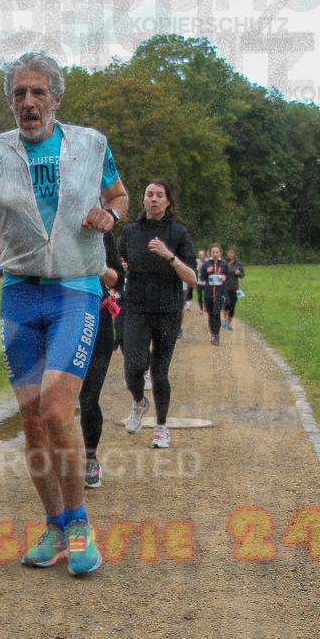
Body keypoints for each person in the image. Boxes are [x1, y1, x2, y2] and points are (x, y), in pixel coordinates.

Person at [0, 52, 128, 575]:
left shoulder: (91, 144)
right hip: (19, 292)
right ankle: (54, 526)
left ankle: (81, 523)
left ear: (56, 99)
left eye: (38, 93)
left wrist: (110, 214)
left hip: (75, 290)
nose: (28, 102)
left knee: (59, 410)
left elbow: (120, 194)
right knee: (34, 422)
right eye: (19, 94)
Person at [118, 179, 197, 449]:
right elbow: (117, 268)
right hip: (136, 307)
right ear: (143, 200)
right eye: (149, 194)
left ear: (167, 202)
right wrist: (122, 269)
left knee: (160, 372)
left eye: (159, 195)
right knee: (133, 367)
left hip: (168, 310)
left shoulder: (178, 233)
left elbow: (193, 279)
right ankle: (140, 402)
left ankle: (161, 427)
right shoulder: (130, 232)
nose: (153, 199)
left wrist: (169, 256)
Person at [79, 231, 125, 488]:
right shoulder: (46, 219)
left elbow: (117, 278)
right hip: (56, 319)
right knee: (53, 396)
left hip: (96, 320)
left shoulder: (100, 228)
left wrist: (92, 264)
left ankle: (90, 457)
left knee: (89, 397)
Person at [200, 243, 228, 345]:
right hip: (209, 293)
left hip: (220, 293)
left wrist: (225, 278)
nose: (215, 254)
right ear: (210, 253)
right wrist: (206, 272)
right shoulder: (206, 264)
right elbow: (202, 278)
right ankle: (213, 334)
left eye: (217, 252)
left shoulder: (224, 264)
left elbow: (227, 276)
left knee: (216, 313)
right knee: (211, 315)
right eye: (213, 252)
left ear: (220, 253)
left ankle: (216, 335)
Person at [222, 246, 244, 329]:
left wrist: (239, 273)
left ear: (235, 254)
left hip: (234, 288)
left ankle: (229, 322)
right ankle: (224, 318)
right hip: (225, 287)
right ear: (227, 253)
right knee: (226, 304)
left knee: (232, 306)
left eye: (232, 253)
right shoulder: (224, 262)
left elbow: (242, 275)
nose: (231, 254)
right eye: (229, 253)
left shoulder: (238, 264)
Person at [194, 248, 208, 313]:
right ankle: (201, 309)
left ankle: (205, 306)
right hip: (199, 282)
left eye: (201, 255)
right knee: (199, 296)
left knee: (206, 296)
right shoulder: (197, 262)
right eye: (199, 255)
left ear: (204, 255)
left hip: (206, 282)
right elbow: (195, 272)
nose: (200, 256)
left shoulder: (208, 262)